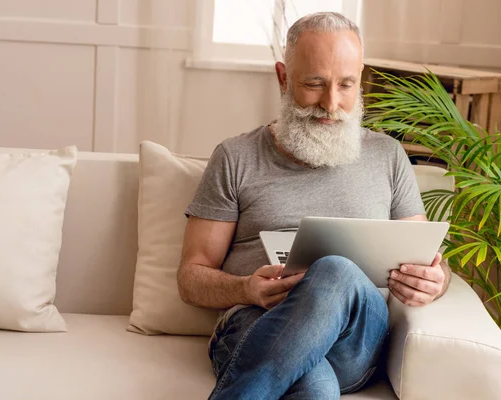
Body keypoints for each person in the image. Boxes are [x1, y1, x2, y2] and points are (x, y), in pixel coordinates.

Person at [177, 12, 451, 400]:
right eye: (315, 84)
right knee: (315, 387)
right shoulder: (235, 157)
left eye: (346, 85)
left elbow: (431, 260)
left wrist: (435, 282)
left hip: (353, 342)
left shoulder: (388, 156)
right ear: (283, 77)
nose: (331, 103)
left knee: (336, 270)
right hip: (255, 327)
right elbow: (191, 277)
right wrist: (246, 288)